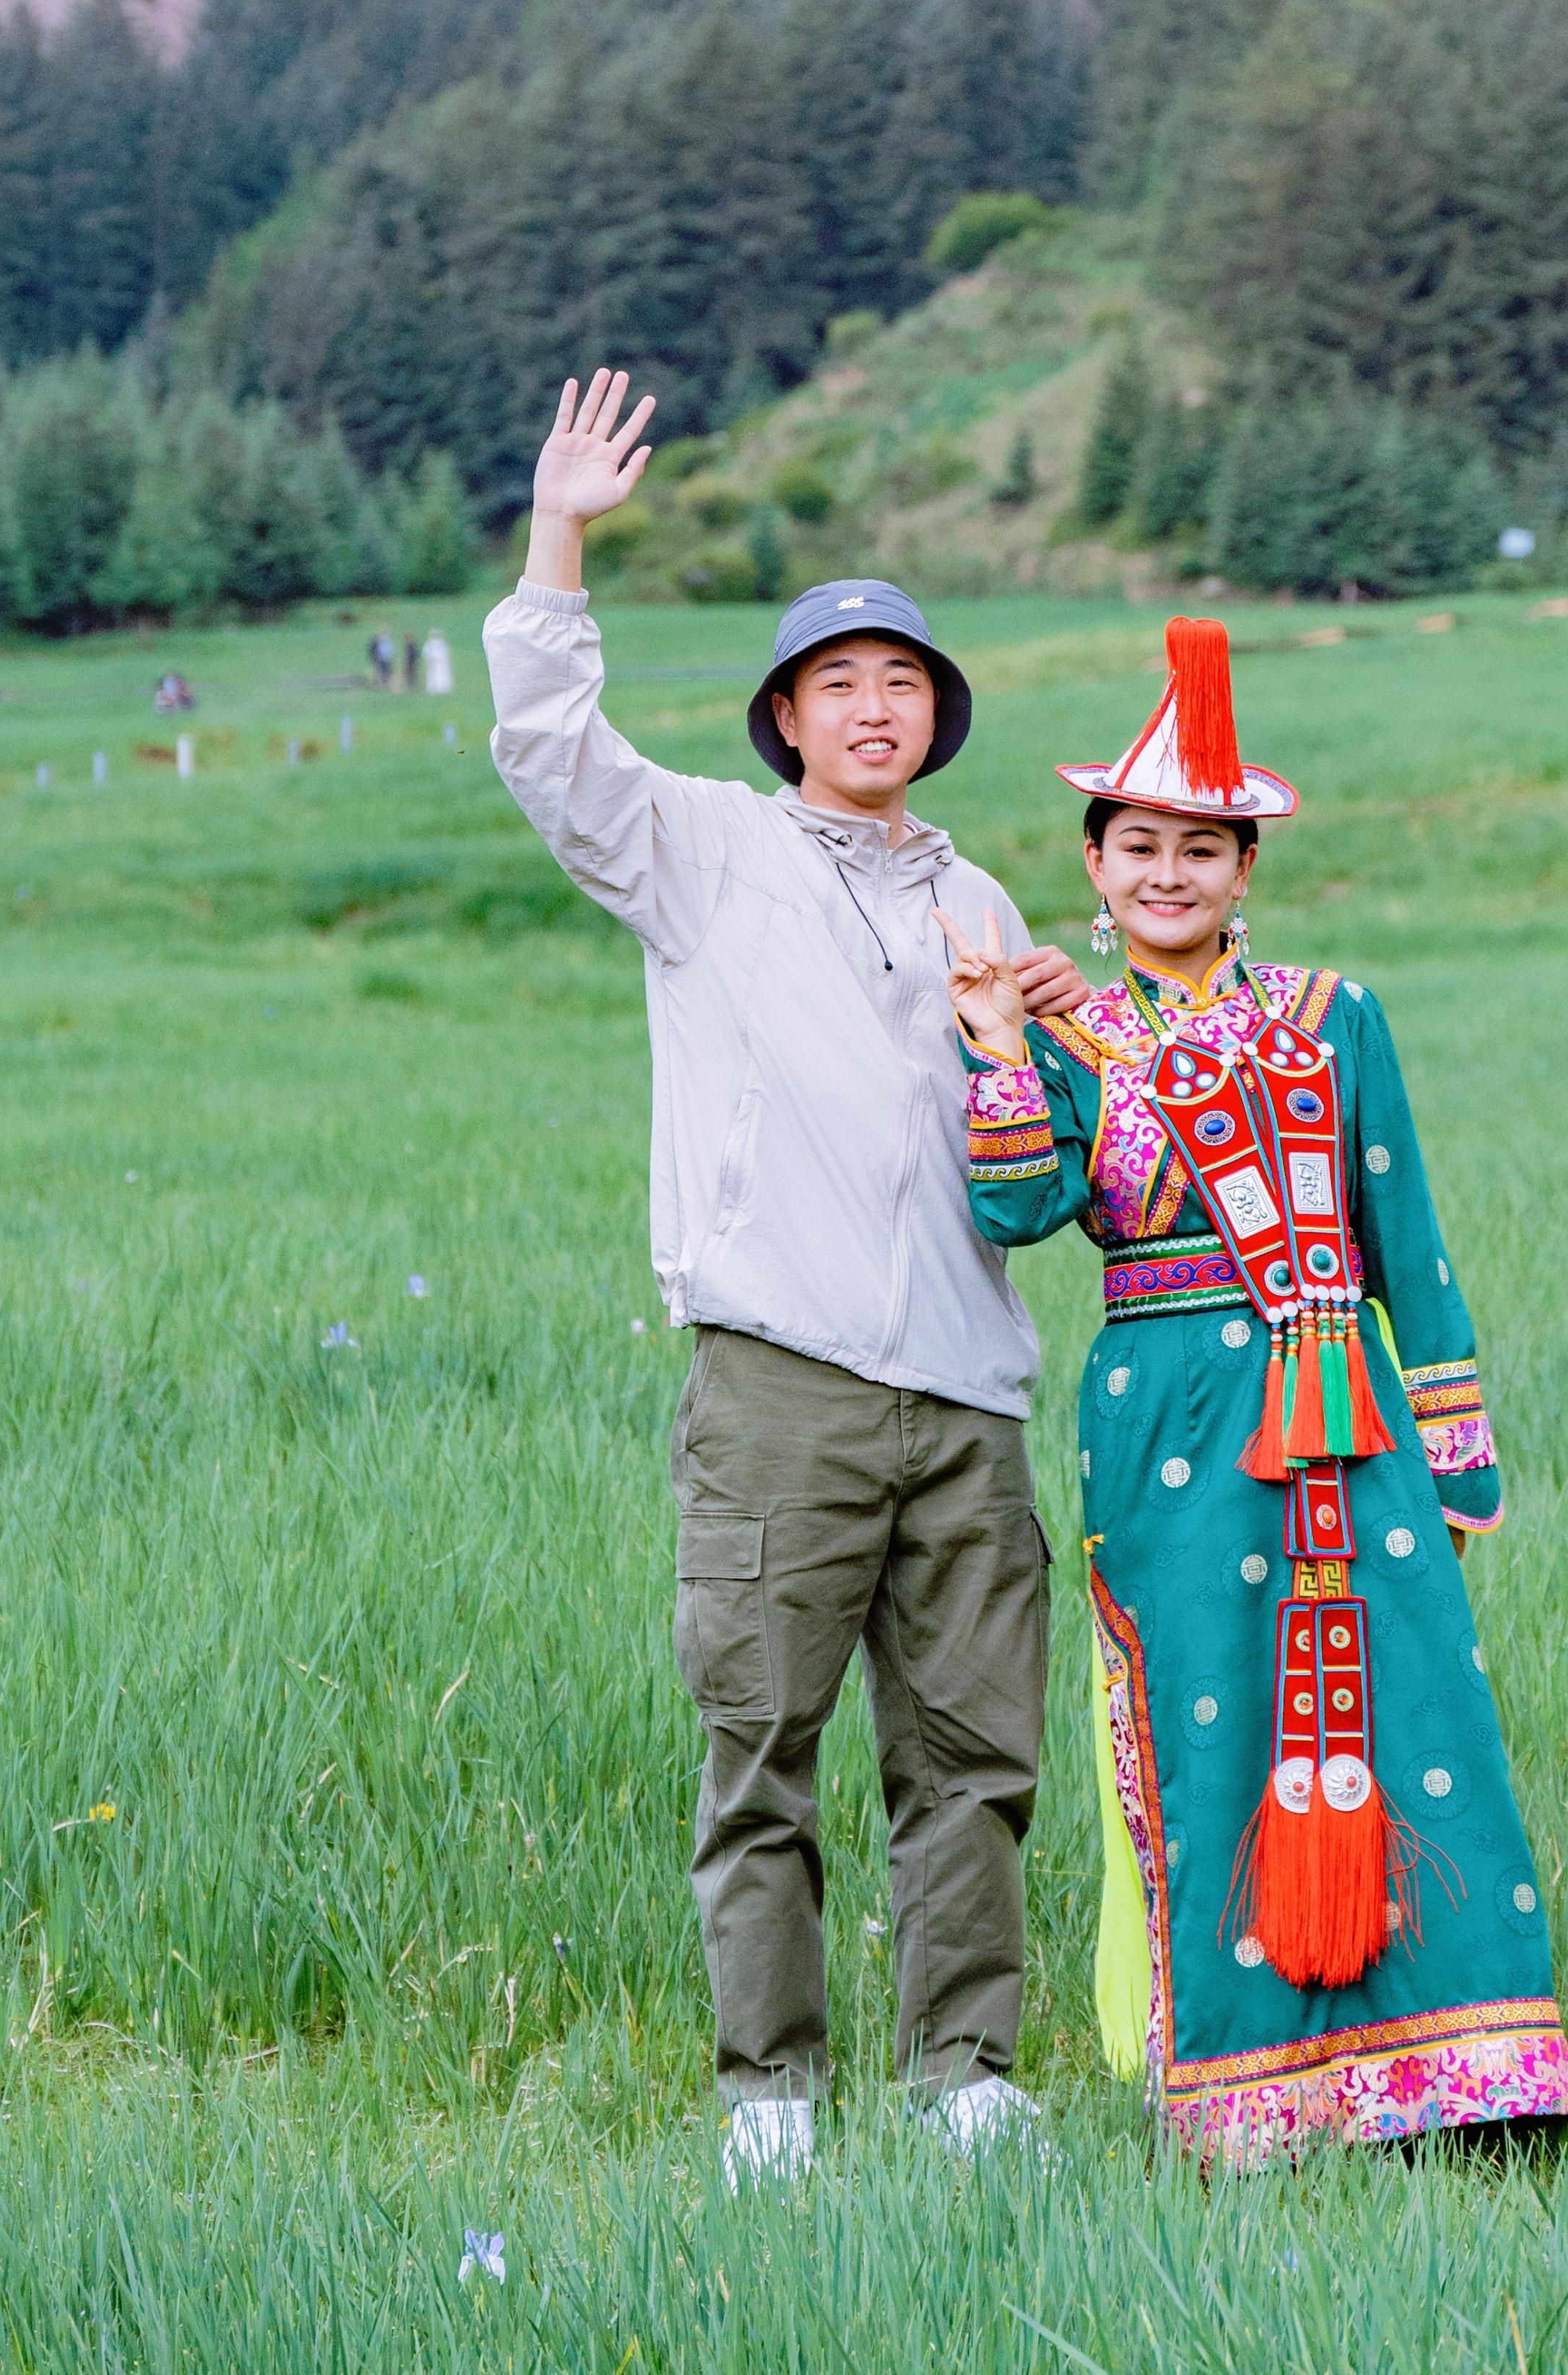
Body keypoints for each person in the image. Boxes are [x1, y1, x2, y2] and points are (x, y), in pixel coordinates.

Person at [483, 368, 1089, 2187]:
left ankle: (967, 2069)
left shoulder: (984, 903)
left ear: (939, 716)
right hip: (783, 1383)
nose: (876, 708)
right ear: (784, 718)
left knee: (975, 1754)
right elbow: (547, 750)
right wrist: (563, 530)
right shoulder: (704, 851)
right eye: (841, 685)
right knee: (762, 1747)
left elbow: (1037, 1171)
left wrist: (1047, 1046)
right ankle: (772, 2096)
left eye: (905, 683)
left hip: (969, 1387)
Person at [939, 615, 1568, 2163]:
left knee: (1412, 1705)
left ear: (1247, 870)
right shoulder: (1068, 1037)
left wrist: (1452, 1443)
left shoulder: (1336, 1015)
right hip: (1168, 1412)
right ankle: (1247, 2097)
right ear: (1093, 866)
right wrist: (997, 1049)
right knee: (1205, 1716)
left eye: (1203, 847)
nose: (1170, 873)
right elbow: (1021, 1211)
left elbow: (1402, 1233)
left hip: (1342, 1407)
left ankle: (1465, 2077)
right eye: (1139, 844)